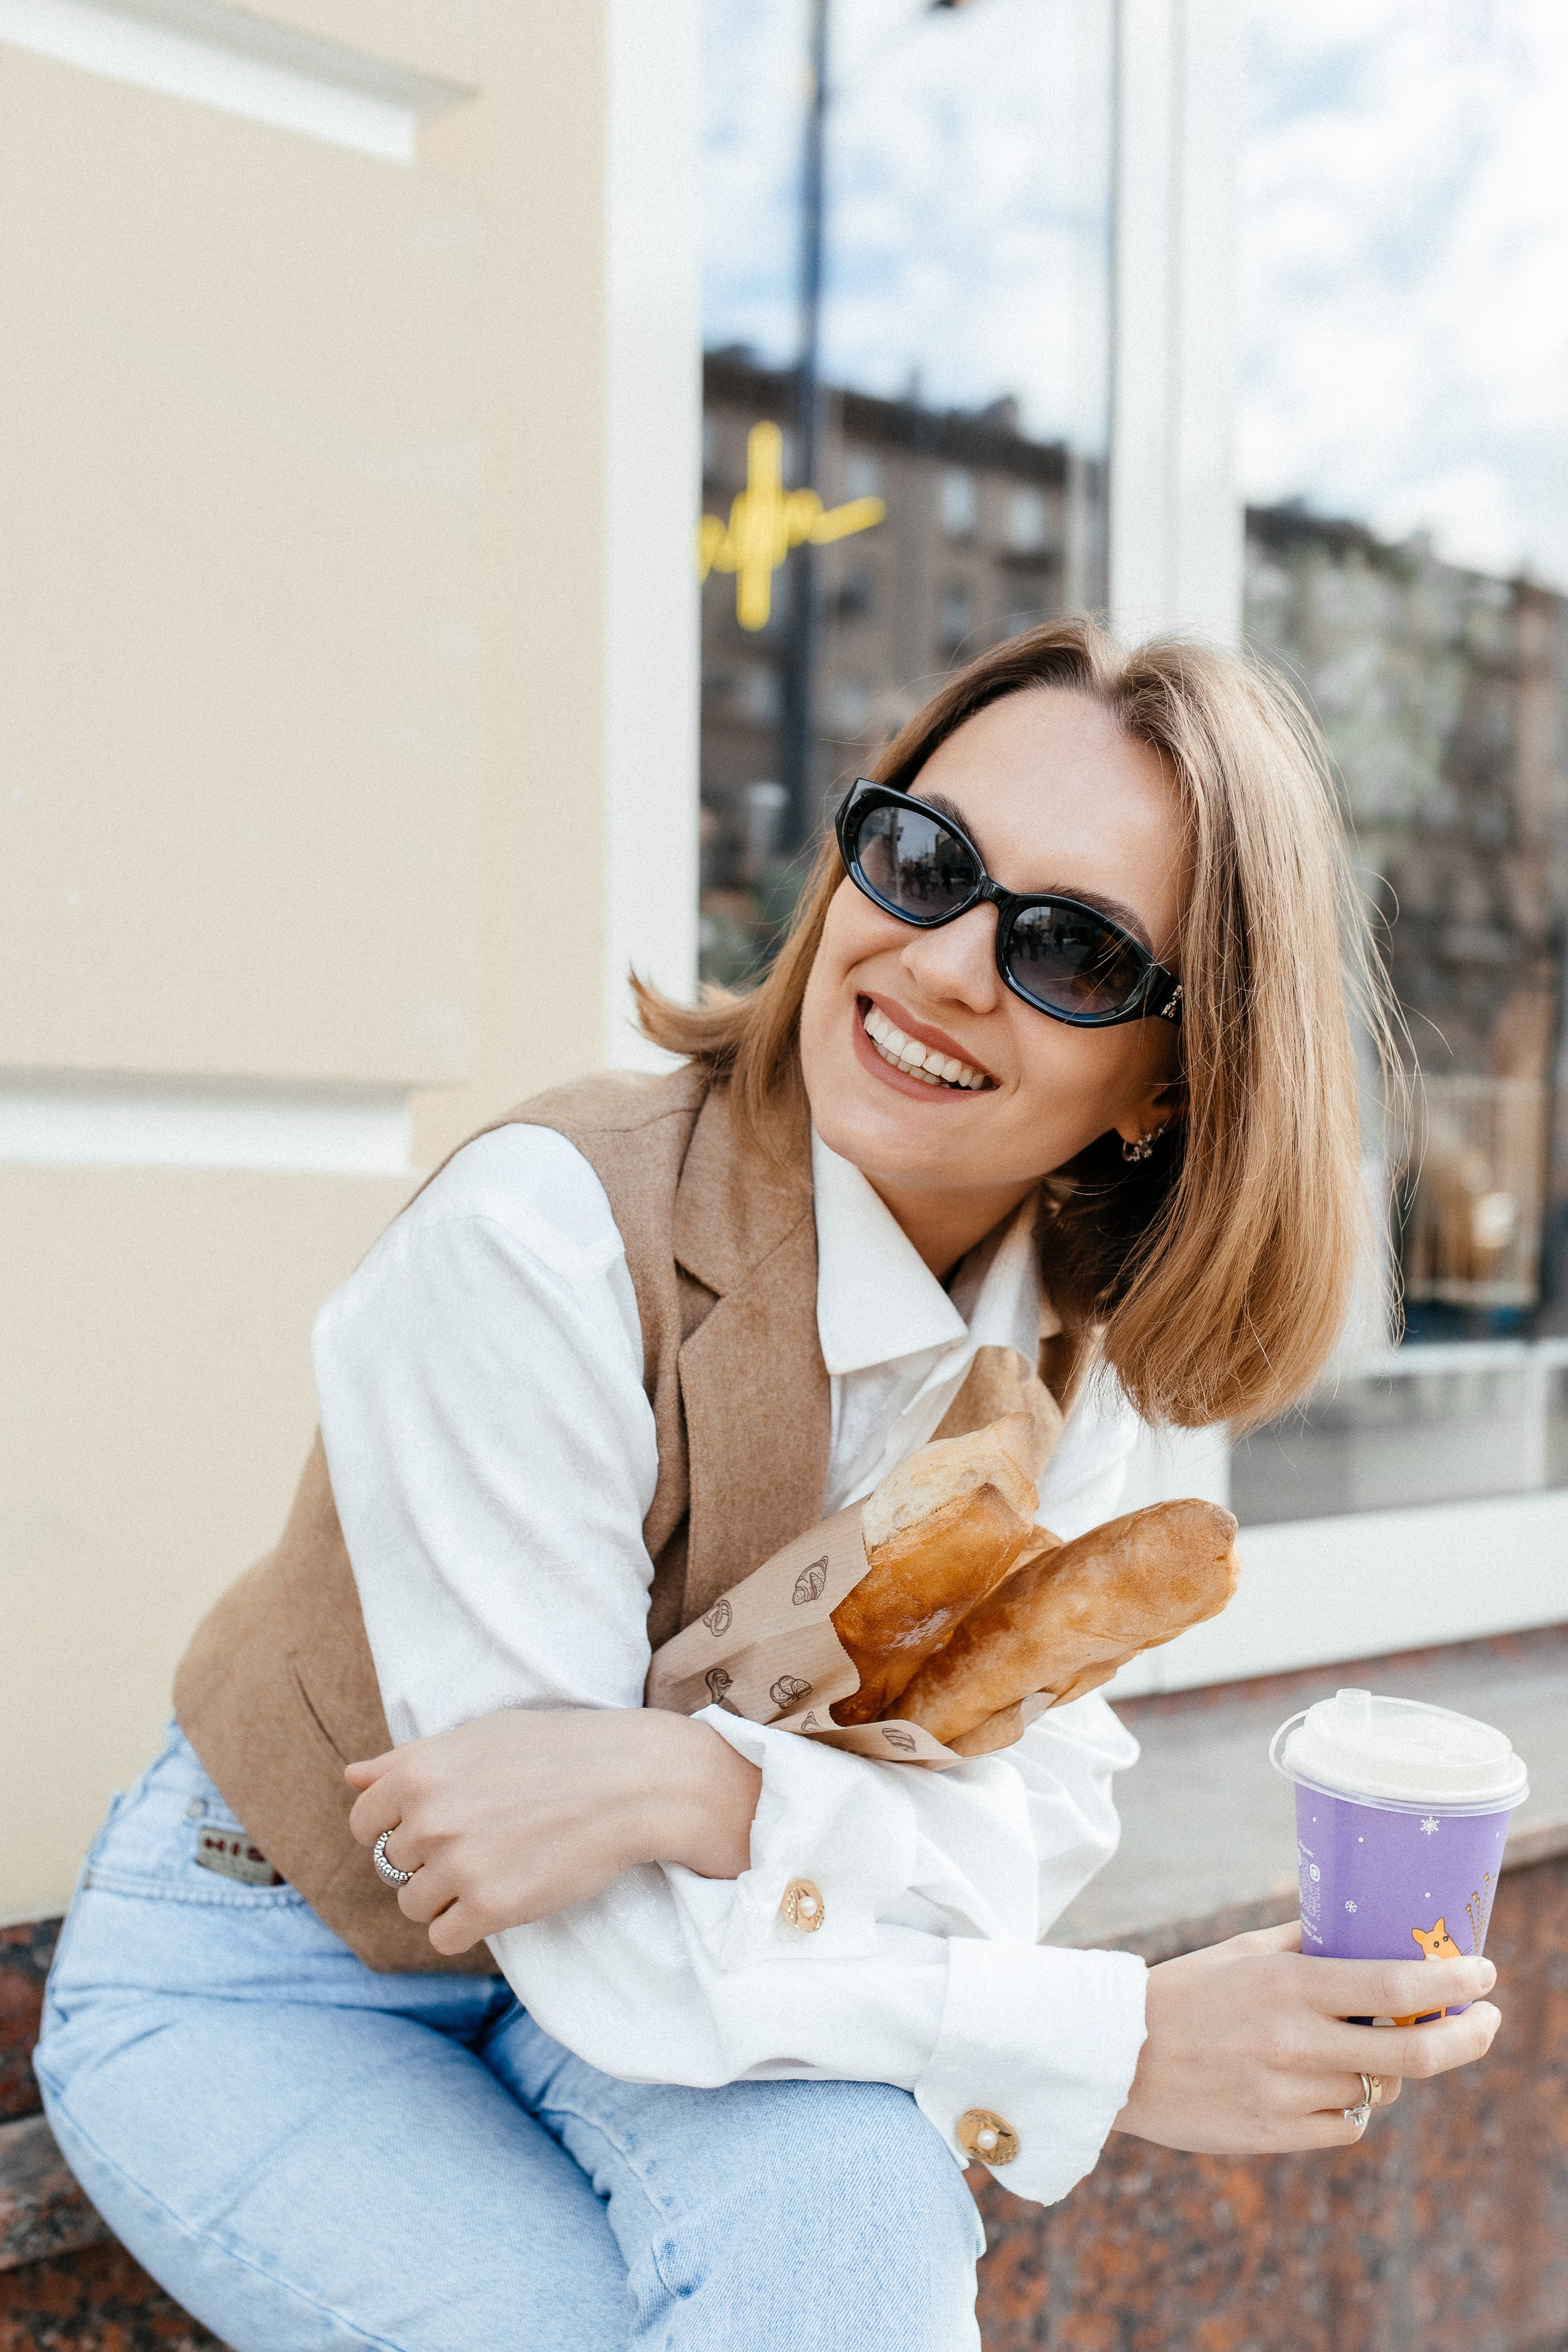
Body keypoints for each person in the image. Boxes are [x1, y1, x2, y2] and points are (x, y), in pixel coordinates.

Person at [36, 622, 1499, 2352]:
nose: (949, 961)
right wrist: (1120, 2043)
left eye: (1075, 952)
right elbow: (567, 1902)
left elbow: (1031, 1830)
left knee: (862, 2231)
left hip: (676, 1966)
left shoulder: (1058, 1355)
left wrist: (691, 1791)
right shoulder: (545, 1236)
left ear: (1169, 1084)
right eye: (925, 860)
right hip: (275, 1962)